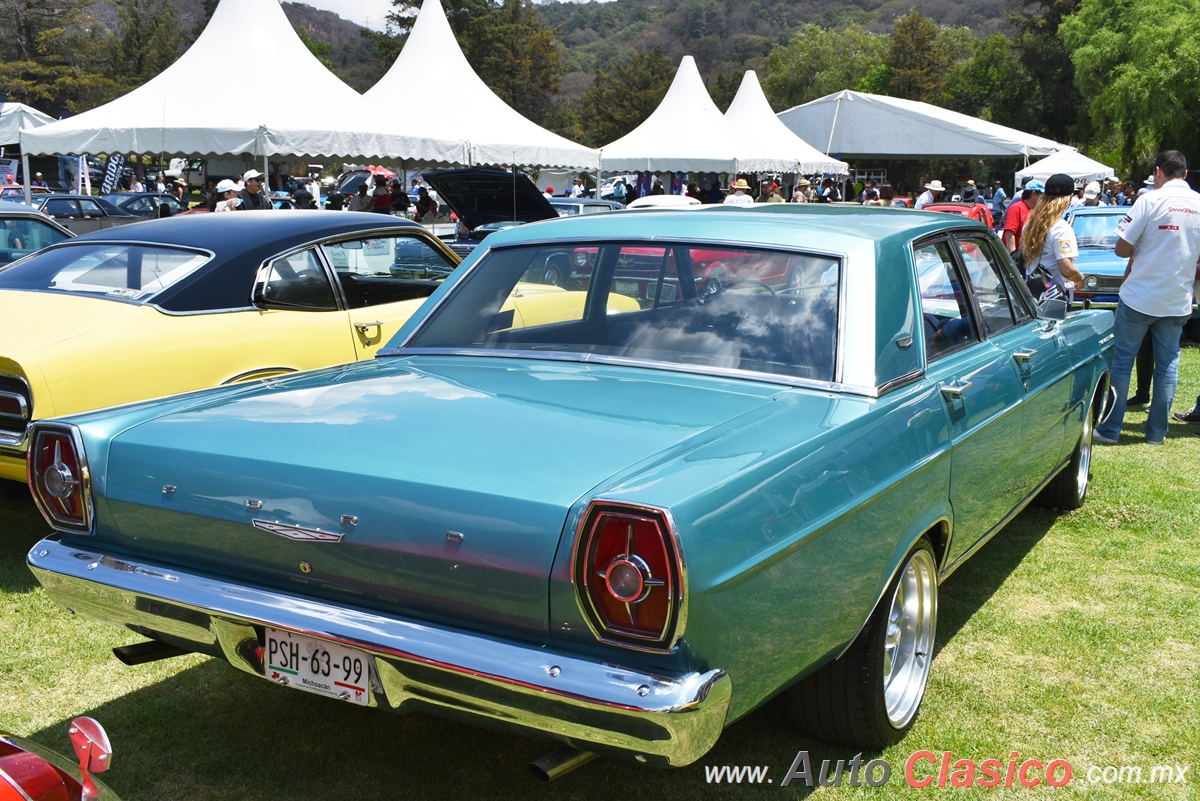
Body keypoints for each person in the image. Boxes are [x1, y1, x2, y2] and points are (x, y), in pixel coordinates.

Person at [1092, 151, 1200, 445]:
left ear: (1158, 172)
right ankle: (1156, 433)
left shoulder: (1149, 201)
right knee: (1168, 364)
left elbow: (1122, 249)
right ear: (1186, 174)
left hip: (1140, 294)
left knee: (1123, 361)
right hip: (1177, 298)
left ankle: (1111, 430)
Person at [1020, 173, 1084, 297]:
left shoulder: (1031, 222)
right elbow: (1066, 269)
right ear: (1070, 197)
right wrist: (1080, 278)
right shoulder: (1061, 228)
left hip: (1031, 289)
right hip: (1054, 294)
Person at [1002, 179, 1043, 252]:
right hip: (1016, 258)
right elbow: (1009, 234)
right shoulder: (1016, 208)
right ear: (1033, 194)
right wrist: (1013, 257)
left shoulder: (1035, 210)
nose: (1044, 199)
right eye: (1042, 195)